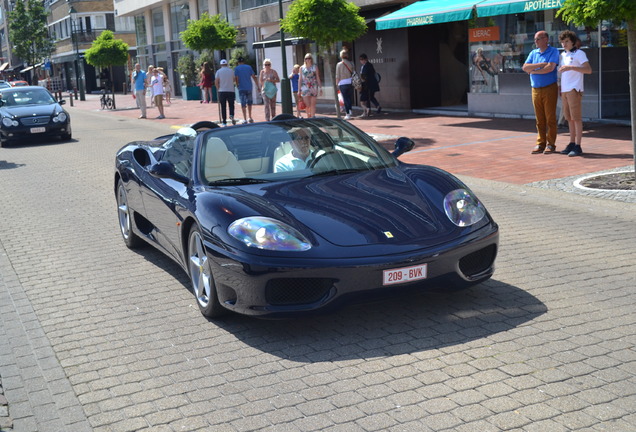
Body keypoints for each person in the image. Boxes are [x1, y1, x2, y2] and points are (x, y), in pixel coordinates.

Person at [522, 30, 560, 154]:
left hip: (549, 87)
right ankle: (540, 143)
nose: (535, 42)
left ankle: (551, 144)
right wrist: (541, 65)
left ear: (546, 39)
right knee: (539, 118)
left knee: (550, 118)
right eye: (535, 39)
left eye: (538, 39)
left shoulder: (553, 51)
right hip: (535, 89)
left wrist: (533, 71)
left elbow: (550, 68)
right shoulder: (533, 53)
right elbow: (525, 67)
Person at [558, 33, 591, 157]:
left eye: (566, 41)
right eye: (562, 42)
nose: (564, 44)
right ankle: (571, 143)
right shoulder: (563, 55)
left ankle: (578, 145)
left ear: (572, 42)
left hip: (574, 88)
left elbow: (588, 70)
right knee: (569, 118)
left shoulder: (579, 54)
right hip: (565, 89)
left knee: (576, 118)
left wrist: (571, 67)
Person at [234, 57, 260, 123]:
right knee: (249, 103)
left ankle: (245, 118)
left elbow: (236, 78)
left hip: (242, 88)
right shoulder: (249, 67)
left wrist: (237, 84)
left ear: (238, 62)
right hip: (249, 87)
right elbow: (254, 76)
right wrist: (258, 86)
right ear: (244, 61)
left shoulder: (237, 68)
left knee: (243, 104)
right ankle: (250, 117)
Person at [298, 53, 321, 118]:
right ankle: (309, 115)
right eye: (306, 58)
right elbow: (300, 79)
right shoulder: (301, 68)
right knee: (307, 105)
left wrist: (320, 87)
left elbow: (317, 77)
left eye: (309, 58)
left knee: (313, 104)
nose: (307, 60)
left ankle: (313, 117)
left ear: (311, 59)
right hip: (304, 87)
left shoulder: (314, 67)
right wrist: (299, 90)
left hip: (313, 86)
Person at [215, 59, 237, 126]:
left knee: (223, 106)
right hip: (231, 90)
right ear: (227, 64)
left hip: (222, 91)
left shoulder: (218, 72)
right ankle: (231, 115)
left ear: (221, 64)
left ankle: (224, 121)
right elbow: (234, 79)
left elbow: (216, 81)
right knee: (231, 104)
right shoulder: (231, 71)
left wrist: (218, 88)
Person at [336, 49, 354, 120]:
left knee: (345, 98)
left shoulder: (339, 64)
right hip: (350, 81)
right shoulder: (351, 63)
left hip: (342, 83)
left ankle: (348, 113)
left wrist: (336, 84)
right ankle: (350, 110)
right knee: (349, 97)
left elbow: (337, 75)